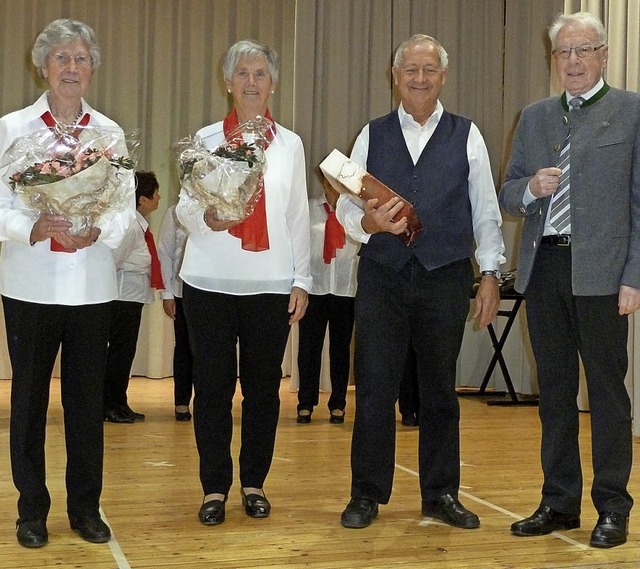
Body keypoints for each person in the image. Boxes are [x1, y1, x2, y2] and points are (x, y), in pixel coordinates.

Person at [336, 33, 505, 530]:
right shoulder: (370, 135)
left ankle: (440, 494)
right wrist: (368, 225)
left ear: (443, 76)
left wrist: (490, 273)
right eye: (410, 69)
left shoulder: (467, 134)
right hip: (383, 276)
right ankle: (366, 494)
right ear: (395, 76)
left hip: (445, 276)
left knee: (439, 391)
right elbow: (347, 206)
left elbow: (486, 212)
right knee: (374, 387)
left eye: (429, 69)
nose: (420, 77)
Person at [499, 11, 640, 549]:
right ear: (553, 60)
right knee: (554, 392)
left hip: (605, 274)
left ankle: (612, 506)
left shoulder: (630, 112)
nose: (574, 62)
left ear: (603, 55)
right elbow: (508, 192)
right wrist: (530, 187)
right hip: (546, 269)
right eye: (565, 53)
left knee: (606, 393)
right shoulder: (534, 117)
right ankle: (559, 502)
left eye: (584, 51)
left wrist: (635, 276)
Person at [0, 19, 135, 547]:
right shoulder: (11, 128)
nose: (71, 68)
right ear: (43, 66)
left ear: (93, 68)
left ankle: (85, 508)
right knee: (29, 403)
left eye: (81, 59)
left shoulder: (110, 134)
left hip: (90, 287)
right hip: (30, 285)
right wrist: (29, 227)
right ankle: (31, 509)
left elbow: (126, 209)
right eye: (62, 59)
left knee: (85, 404)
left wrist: (101, 229)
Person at [176, 39, 311, 527]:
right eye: (242, 73)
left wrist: (302, 279)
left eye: (260, 73)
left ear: (272, 84)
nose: (251, 82)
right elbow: (183, 208)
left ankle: (254, 482)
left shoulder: (290, 144)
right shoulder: (207, 137)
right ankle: (214, 487)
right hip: (208, 282)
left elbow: (296, 214)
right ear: (228, 83)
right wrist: (205, 217)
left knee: (262, 392)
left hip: (271, 283)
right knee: (210, 390)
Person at [103, 171, 163, 423]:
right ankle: (110, 404)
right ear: (142, 199)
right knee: (119, 353)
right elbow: (113, 261)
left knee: (124, 353)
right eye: (155, 193)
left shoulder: (138, 224)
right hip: (122, 298)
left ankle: (119, 401)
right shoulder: (129, 225)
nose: (159, 198)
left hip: (131, 297)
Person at [296, 181, 358, 425]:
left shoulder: (354, 210)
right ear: (323, 182)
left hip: (345, 288)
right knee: (309, 347)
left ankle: (338, 404)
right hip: (316, 287)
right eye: (330, 183)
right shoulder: (310, 209)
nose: (335, 188)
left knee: (341, 349)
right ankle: (305, 403)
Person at [157, 203, 194, 421]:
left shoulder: (223, 207)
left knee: (209, 351)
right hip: (181, 290)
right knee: (184, 348)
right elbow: (165, 252)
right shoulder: (174, 212)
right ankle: (181, 402)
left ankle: (208, 401)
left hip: (210, 293)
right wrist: (166, 294)